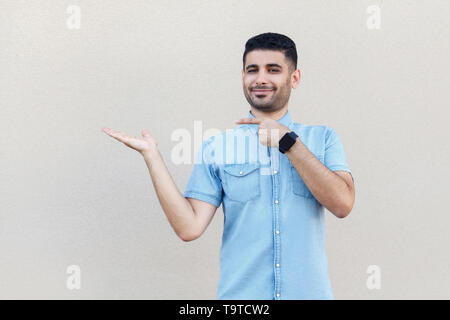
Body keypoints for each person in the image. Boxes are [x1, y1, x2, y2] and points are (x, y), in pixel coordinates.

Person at [102, 32, 355, 300]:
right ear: (243, 77)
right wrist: (152, 157)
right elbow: (189, 228)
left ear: (294, 78)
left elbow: (342, 204)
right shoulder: (217, 148)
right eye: (252, 70)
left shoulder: (323, 139)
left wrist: (288, 142)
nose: (260, 79)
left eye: (273, 70)